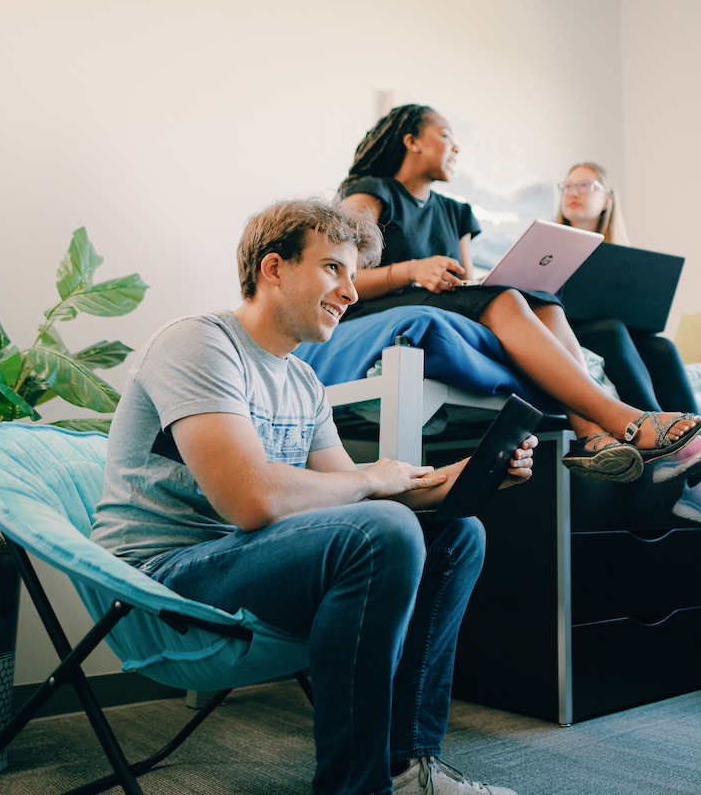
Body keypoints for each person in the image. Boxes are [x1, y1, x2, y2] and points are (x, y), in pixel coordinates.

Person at [91, 198, 534, 795]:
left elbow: (354, 507)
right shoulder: (198, 344)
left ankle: (408, 769)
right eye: (333, 268)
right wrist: (375, 477)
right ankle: (354, 787)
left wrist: (459, 480)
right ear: (273, 268)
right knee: (385, 525)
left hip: (247, 559)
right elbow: (252, 501)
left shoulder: (304, 380)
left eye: (354, 274)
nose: (351, 292)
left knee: (458, 534)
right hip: (159, 579)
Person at [337, 104, 701, 486]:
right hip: (380, 307)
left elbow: (465, 284)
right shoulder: (373, 193)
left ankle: (589, 434)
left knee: (540, 297)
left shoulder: (457, 212)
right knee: (505, 299)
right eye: (445, 136)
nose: (455, 148)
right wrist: (411, 270)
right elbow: (343, 274)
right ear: (412, 142)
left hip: (437, 302)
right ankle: (623, 417)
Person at [556, 161, 701, 527]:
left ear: (608, 199)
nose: (574, 194)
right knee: (610, 329)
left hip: (612, 328)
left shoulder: (622, 258)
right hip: (566, 331)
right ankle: (666, 447)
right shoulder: (547, 246)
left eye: (585, 186)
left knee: (661, 347)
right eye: (567, 186)